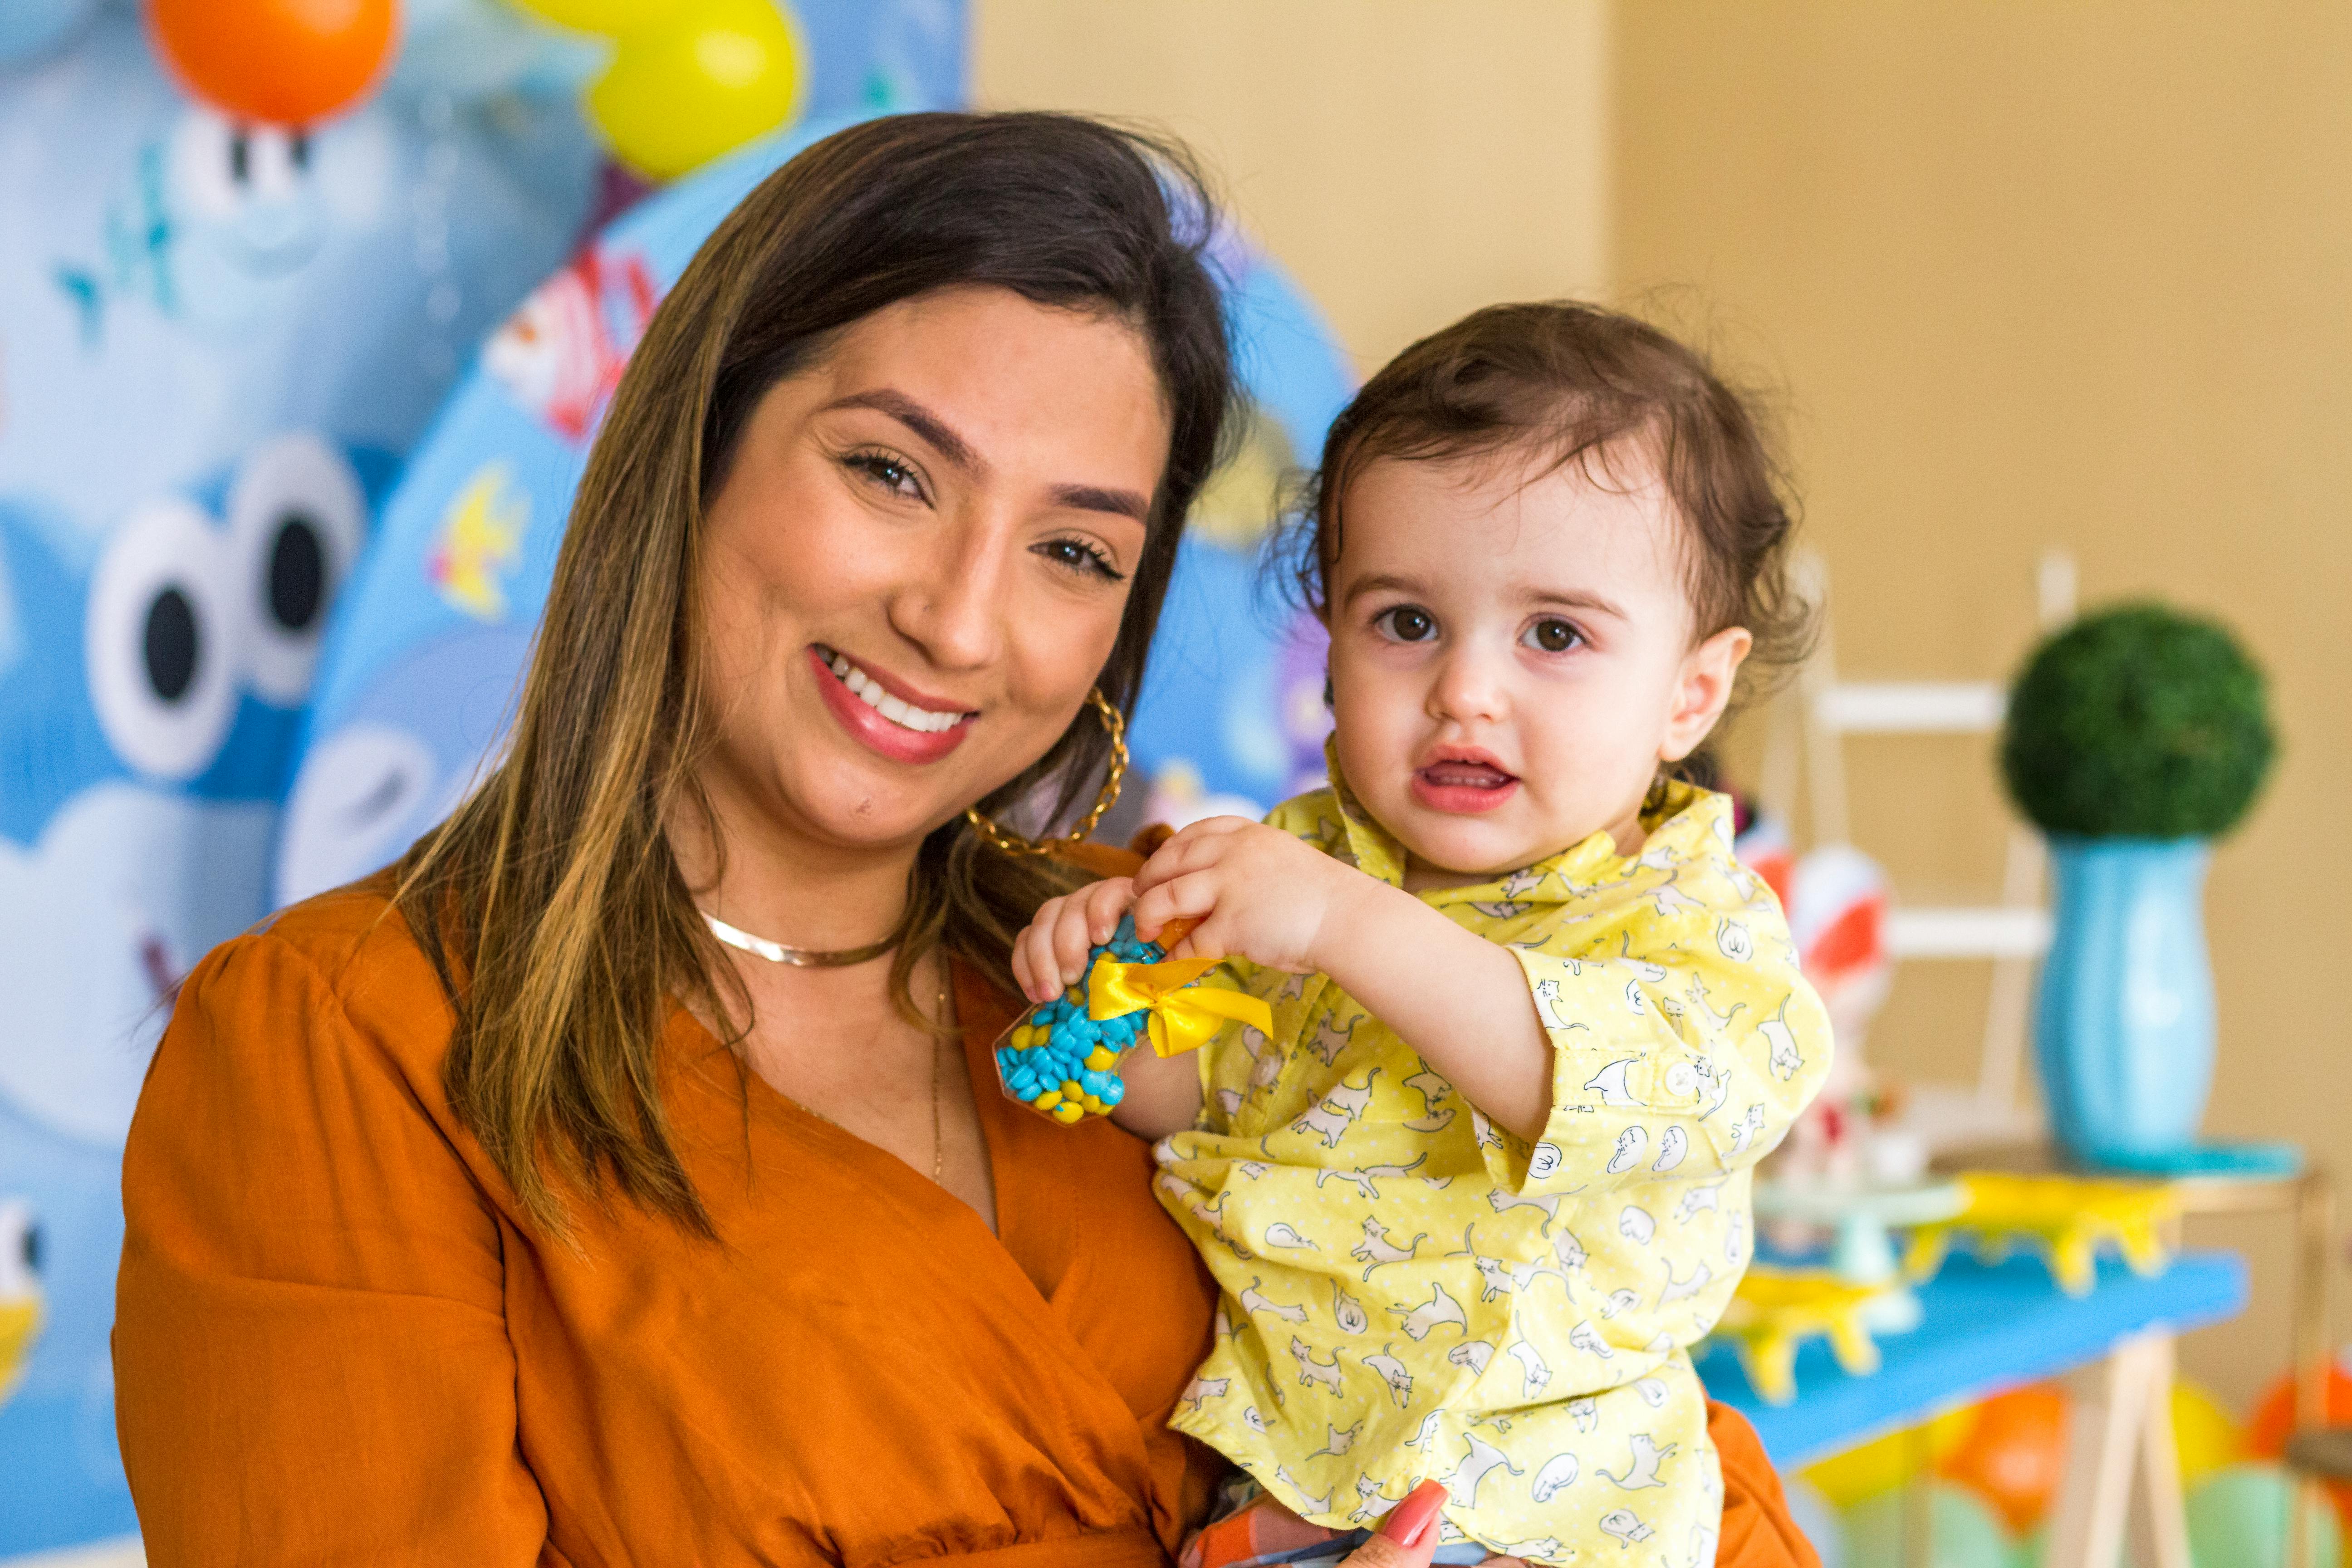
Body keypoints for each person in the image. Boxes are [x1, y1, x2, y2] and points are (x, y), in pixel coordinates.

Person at [113, 113, 1818, 1568]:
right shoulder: (349, 1048)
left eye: (1077, 554)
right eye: (892, 474)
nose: (957, 618)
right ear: (689, 456)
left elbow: (1618, 1406)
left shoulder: (1148, 957)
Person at [1013, 303, 1833, 1567]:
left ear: (1690, 693)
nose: (1464, 690)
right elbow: (1210, 1094)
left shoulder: (1693, 930)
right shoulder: (1309, 863)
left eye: (1554, 635)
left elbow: (1571, 1078)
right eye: (1405, 622)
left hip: (1543, 1519)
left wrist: (1340, 922)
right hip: (1282, 1487)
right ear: (1330, 645)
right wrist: (1110, 1007)